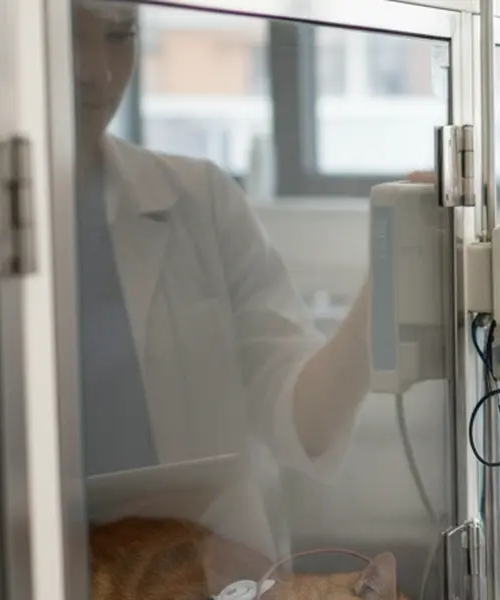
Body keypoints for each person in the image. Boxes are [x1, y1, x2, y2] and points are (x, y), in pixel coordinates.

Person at [74, 1, 375, 553]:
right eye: (69, 35)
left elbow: (303, 422)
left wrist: (382, 301)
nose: (98, 70)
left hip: (207, 573)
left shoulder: (200, 200)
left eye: (120, 36)